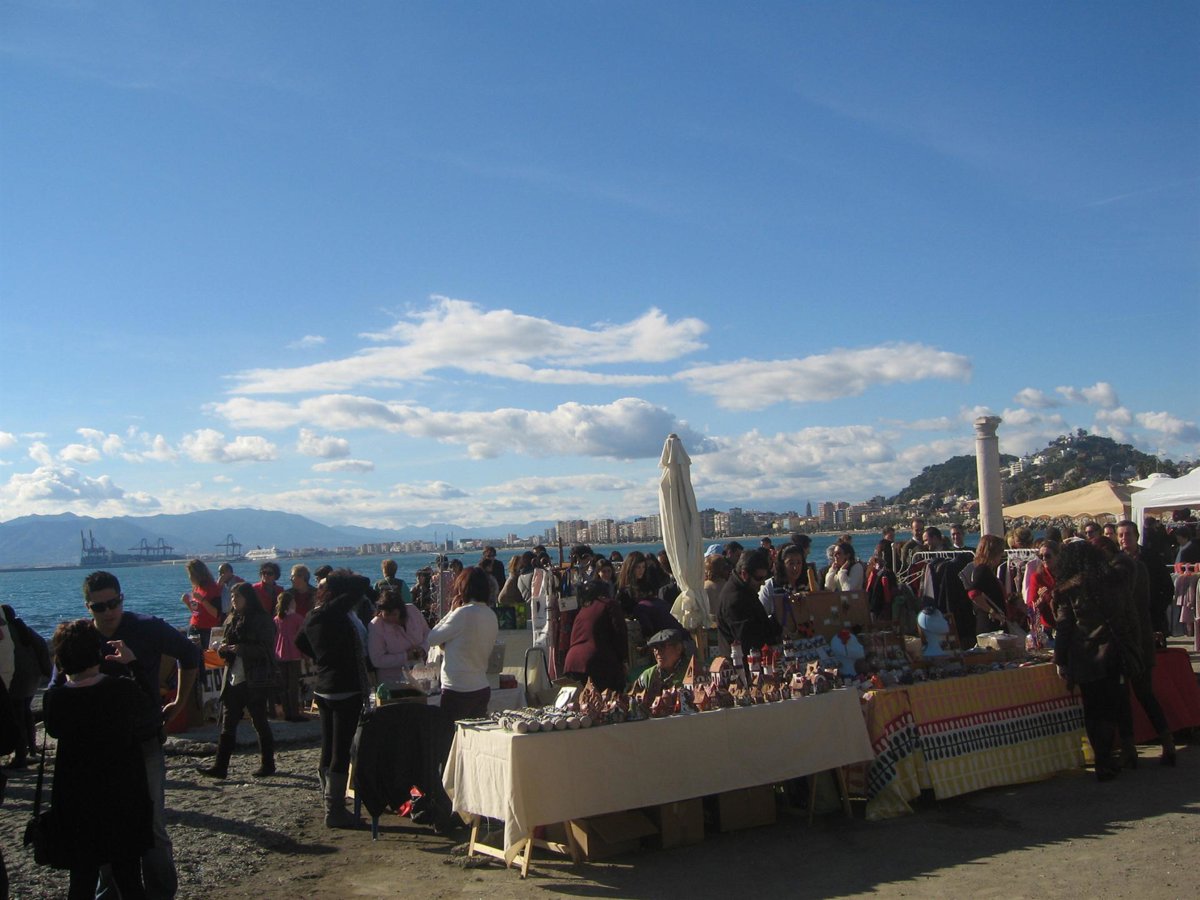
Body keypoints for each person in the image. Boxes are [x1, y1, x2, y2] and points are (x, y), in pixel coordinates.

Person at [83, 569, 200, 899]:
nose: (109, 612)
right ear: (88, 607)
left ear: (122, 599)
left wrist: (179, 703)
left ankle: (161, 893)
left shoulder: (147, 627)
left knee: (152, 824)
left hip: (144, 739)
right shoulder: (82, 638)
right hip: (99, 747)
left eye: (114, 603)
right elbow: (59, 684)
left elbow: (190, 655)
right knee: (105, 823)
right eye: (99, 607)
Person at [43, 619, 159, 900]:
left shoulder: (55, 699)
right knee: (130, 879)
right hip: (121, 795)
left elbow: (54, 729)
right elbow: (151, 709)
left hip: (77, 799)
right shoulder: (120, 690)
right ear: (96, 653)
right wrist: (133, 664)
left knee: (81, 880)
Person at [1052, 540, 1143, 781]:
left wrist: (1060, 660)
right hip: (1114, 652)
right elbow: (1130, 617)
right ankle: (1109, 757)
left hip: (1085, 655)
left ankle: (1102, 759)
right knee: (1110, 707)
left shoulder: (1069, 589)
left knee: (1093, 710)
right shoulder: (1115, 581)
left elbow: (1064, 627)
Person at [295, 568, 371, 829]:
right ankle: (335, 810)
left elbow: (299, 642)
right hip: (346, 686)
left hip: (324, 685)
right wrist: (342, 578)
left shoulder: (313, 615)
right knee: (341, 749)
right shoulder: (337, 612)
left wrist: (321, 656)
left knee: (328, 746)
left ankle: (328, 799)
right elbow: (364, 582)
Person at [197, 583, 278, 779]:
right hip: (233, 676)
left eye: (238, 596)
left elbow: (267, 650)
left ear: (248, 598)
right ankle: (220, 766)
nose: (234, 600)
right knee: (228, 723)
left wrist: (241, 649)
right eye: (232, 596)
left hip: (255, 679)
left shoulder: (262, 619)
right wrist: (223, 650)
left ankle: (268, 764)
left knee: (259, 721)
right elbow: (226, 646)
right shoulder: (231, 619)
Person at [1114, 520, 1175, 766]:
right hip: (1131, 636)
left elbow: (1165, 590)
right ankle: (1131, 747)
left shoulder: (1146, 561)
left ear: (1136, 535)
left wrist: (1156, 622)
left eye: (1127, 534)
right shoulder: (1116, 564)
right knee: (1124, 696)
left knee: (1144, 693)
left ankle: (1166, 741)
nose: (1123, 538)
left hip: (1143, 632)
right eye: (1120, 535)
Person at [427, 567, 499, 721]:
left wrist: (451, 612)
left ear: (463, 589)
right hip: (481, 685)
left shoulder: (462, 614)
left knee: (451, 733)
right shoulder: (491, 615)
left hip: (457, 688)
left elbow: (432, 638)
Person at [1, 603, 50, 769]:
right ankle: (32, 750)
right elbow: (42, 647)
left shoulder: (7, 632)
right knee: (25, 713)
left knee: (17, 717)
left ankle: (21, 757)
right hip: (31, 679)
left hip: (14, 680)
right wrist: (47, 672)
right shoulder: (25, 629)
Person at [716, 549, 781, 662]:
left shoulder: (743, 589)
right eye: (759, 578)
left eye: (764, 578)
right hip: (744, 664)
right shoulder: (735, 599)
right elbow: (748, 640)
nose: (762, 583)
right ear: (744, 574)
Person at [562, 581, 629, 691]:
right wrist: (624, 660)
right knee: (610, 698)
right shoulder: (609, 604)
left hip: (572, 662)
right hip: (597, 662)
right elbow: (620, 633)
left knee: (580, 700)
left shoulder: (583, 610)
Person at [368, 588, 431, 686]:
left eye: (394, 614)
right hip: (393, 683)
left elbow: (427, 633)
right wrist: (406, 656)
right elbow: (377, 660)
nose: (391, 618)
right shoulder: (375, 626)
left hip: (419, 677)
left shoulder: (412, 611)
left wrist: (423, 648)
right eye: (387, 614)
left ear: (401, 610)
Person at [274, 591, 309, 722]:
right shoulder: (297, 618)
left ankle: (287, 712)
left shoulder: (276, 619)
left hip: (279, 654)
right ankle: (294, 713)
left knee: (284, 686)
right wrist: (306, 656)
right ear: (290, 603)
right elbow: (302, 638)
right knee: (293, 686)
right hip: (294, 654)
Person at [759, 543, 817, 617]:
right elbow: (761, 617)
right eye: (791, 563)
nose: (795, 567)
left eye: (799, 563)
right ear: (782, 565)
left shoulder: (810, 584)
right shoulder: (769, 586)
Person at [968, 535, 1009, 636]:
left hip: (992, 624)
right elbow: (973, 593)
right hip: (990, 626)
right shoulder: (982, 570)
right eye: (1000, 553)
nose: (1001, 556)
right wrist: (992, 611)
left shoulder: (986, 569)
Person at [633, 628, 693, 696]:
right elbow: (633, 697)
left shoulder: (695, 671)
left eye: (662, 647)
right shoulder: (648, 676)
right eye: (655, 648)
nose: (658, 652)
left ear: (678, 648)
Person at [179, 558, 223, 649]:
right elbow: (196, 612)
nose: (189, 577)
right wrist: (187, 603)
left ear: (197, 574)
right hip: (194, 628)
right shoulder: (197, 588)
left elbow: (216, 613)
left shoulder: (213, 588)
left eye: (191, 574)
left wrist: (202, 600)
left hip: (208, 630)